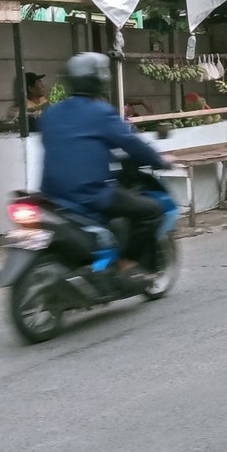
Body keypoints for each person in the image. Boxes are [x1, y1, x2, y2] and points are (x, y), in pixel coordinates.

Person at [37, 53, 167, 287]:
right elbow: (132, 144)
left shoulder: (51, 113)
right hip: (90, 194)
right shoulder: (101, 112)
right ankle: (126, 264)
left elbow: (65, 145)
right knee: (151, 210)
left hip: (52, 195)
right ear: (99, 81)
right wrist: (159, 160)